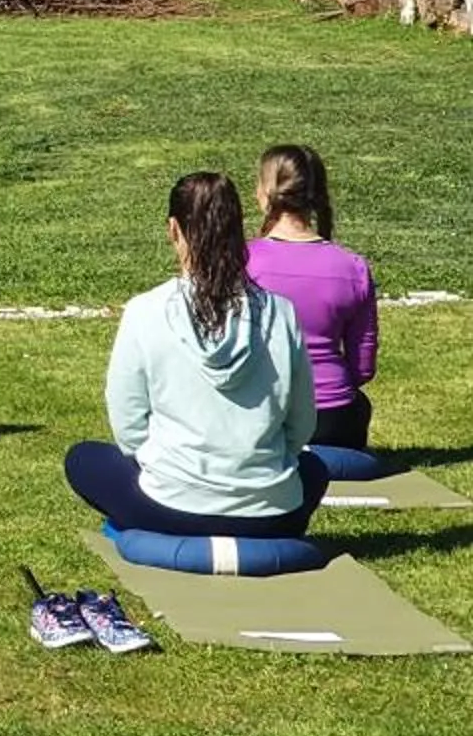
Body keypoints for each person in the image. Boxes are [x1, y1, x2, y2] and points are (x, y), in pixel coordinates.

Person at [64, 172, 328, 540]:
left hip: (171, 507)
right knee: (313, 469)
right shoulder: (281, 312)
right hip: (271, 513)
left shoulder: (145, 310)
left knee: (83, 459)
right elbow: (301, 424)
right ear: (239, 230)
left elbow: (129, 426)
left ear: (174, 229)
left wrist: (170, 469)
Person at [246, 143, 382, 453]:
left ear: (266, 192)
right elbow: (363, 368)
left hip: (262, 416)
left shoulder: (242, 261)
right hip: (336, 422)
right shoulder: (353, 267)